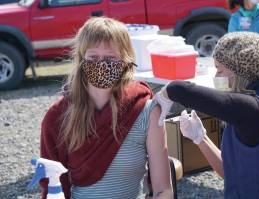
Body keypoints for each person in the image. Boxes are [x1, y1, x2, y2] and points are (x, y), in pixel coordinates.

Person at [39, 17, 173, 199]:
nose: (102, 65)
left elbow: (163, 190)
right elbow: (52, 188)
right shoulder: (57, 117)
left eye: (110, 58)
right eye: (93, 57)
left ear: (126, 61)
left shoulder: (146, 111)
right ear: (81, 60)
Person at [155, 32, 259, 198]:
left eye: (220, 70)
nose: (216, 77)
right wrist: (201, 138)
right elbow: (229, 172)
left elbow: (180, 89)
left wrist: (166, 94)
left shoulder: (254, 109)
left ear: (241, 72)